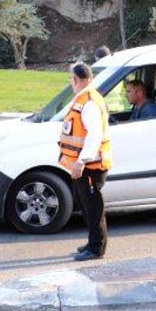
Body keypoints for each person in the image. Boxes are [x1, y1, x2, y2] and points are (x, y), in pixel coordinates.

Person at [60, 61, 112, 261]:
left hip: (90, 165)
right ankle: (93, 242)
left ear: (75, 80)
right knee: (88, 206)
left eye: (70, 79)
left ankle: (96, 247)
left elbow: (94, 135)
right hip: (86, 164)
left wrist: (81, 162)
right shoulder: (85, 98)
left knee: (93, 207)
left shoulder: (89, 101)